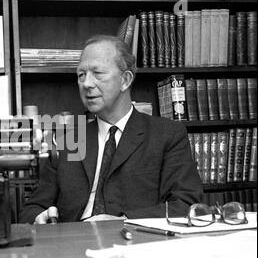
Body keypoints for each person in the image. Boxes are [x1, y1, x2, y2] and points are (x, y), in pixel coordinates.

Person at [19, 35, 203, 224]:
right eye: (81, 75)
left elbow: (185, 204)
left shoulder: (167, 135)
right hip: (74, 243)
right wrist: (38, 217)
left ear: (125, 80)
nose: (87, 83)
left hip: (134, 242)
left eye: (97, 73)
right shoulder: (69, 140)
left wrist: (124, 221)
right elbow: (32, 208)